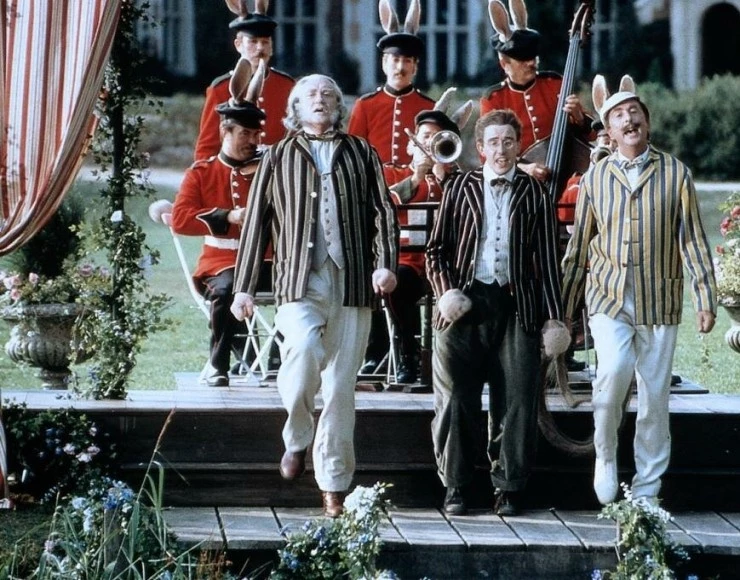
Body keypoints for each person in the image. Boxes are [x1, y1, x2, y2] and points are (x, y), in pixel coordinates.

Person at [230, 74, 398, 517]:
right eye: (310, 94)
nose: (320, 99)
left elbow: (383, 211)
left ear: (338, 106)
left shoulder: (361, 152)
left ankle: (334, 484)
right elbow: (256, 223)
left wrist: (385, 264)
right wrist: (244, 286)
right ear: (296, 108)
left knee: (341, 388)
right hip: (298, 280)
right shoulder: (277, 155)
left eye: (328, 94)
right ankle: (297, 437)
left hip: (353, 279)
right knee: (303, 349)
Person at [561, 78, 717, 506]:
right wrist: (564, 308)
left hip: (659, 299)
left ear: (647, 124)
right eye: (618, 116)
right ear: (608, 131)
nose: (629, 120)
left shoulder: (676, 173)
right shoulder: (595, 178)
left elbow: (692, 240)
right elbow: (579, 248)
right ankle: (605, 454)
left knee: (654, 396)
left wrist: (705, 298)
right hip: (608, 297)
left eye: (635, 114)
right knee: (612, 373)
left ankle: (648, 489)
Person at [426, 109, 567, 517]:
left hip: (517, 304)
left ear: (519, 146)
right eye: (493, 143)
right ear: (480, 148)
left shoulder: (535, 193)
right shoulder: (459, 187)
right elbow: (435, 251)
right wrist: (445, 292)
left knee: (518, 397)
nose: (501, 150)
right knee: (455, 396)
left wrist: (554, 317)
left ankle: (508, 485)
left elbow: (548, 261)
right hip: (463, 304)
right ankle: (456, 484)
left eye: (508, 142)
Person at [348, 0, 435, 376]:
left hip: (415, 207)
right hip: (375, 202)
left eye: (408, 61)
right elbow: (354, 160)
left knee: (402, 276)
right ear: (384, 62)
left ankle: (404, 353)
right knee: (369, 271)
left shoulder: (428, 106)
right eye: (394, 60)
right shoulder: (366, 106)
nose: (400, 67)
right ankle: (374, 351)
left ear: (416, 66)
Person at [172, 59, 270, 387]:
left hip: (266, 259)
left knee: (305, 286)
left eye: (256, 134)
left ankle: (279, 361)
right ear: (225, 131)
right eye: (245, 133)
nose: (253, 141)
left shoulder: (268, 170)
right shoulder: (202, 173)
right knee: (226, 289)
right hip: (221, 262)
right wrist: (227, 216)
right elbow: (181, 220)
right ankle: (219, 364)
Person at [382, 92, 473, 383]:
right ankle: (407, 356)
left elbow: (469, 209)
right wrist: (416, 178)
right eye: (425, 137)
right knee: (397, 285)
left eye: (438, 138)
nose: (431, 143)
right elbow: (384, 205)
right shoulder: (392, 173)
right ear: (412, 144)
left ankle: (457, 360)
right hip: (410, 262)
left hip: (448, 264)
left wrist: (443, 174)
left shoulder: (457, 180)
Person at [479, 0, 593, 181]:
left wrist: (579, 118)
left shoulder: (555, 84)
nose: (531, 63)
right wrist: (522, 168)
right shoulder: (493, 99)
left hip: (566, 173)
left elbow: (592, 133)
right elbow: (488, 152)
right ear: (504, 64)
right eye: (523, 60)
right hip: (518, 180)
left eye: (533, 58)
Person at [192, 0, 294, 161]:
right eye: (253, 42)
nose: (260, 48)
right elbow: (207, 148)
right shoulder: (221, 88)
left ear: (272, 47)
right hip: (235, 171)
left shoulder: (287, 86)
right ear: (238, 45)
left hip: (278, 169)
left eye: (265, 42)